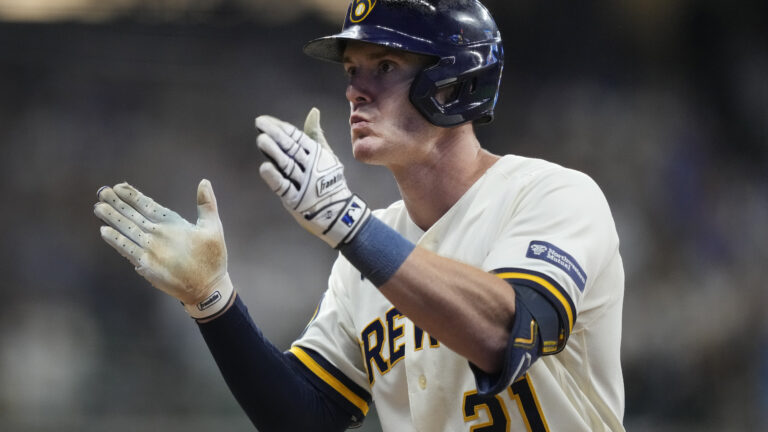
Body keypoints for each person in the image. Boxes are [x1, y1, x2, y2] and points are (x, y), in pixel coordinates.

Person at [93, 1, 626, 431]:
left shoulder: (552, 195)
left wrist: (348, 224)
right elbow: (308, 416)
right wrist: (212, 302)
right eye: (352, 70)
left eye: (385, 67)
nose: (355, 89)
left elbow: (505, 334)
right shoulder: (364, 254)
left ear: (454, 82)